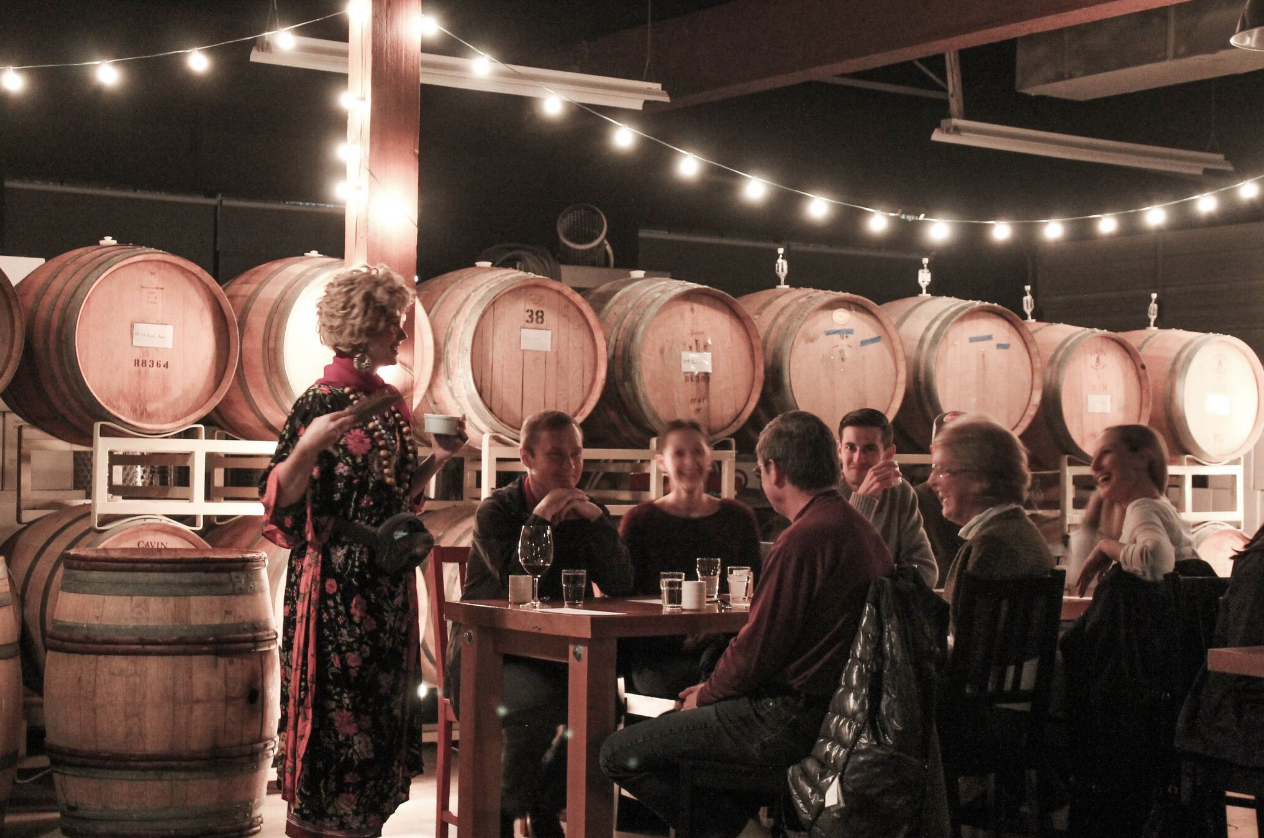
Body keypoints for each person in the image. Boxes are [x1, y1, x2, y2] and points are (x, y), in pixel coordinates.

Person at [600, 410, 894, 838]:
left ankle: (745, 834)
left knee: (618, 753)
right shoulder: (859, 529)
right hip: (841, 718)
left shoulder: (802, 540)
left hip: (786, 719)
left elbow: (758, 649)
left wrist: (706, 694)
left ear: (773, 470)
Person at [259, 264, 466, 838]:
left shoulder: (389, 401)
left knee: (379, 716)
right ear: (366, 326)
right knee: (331, 719)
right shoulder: (318, 402)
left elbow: (394, 497)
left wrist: (441, 459)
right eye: (394, 324)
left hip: (386, 586)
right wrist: (307, 447)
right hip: (333, 588)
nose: (401, 336)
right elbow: (278, 502)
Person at [446, 410, 634, 838]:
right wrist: (541, 518)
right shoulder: (498, 511)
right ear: (526, 457)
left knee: (608, 706)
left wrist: (599, 524)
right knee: (535, 707)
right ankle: (501, 817)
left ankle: (541, 802)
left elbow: (622, 584)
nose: (570, 467)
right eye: (556, 456)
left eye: (576, 455)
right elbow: (516, 584)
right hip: (490, 654)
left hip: (557, 652)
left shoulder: (588, 510)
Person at [618, 419, 762, 698]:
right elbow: (627, 596)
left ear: (710, 457)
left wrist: (715, 630)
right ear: (661, 462)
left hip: (725, 648)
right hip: (659, 654)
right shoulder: (640, 521)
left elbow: (754, 590)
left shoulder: (737, 517)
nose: (690, 461)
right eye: (679, 453)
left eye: (698, 452)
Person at [931, 413, 1055, 624]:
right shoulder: (1014, 531)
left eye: (944, 471)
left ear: (981, 479)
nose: (932, 481)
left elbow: (974, 646)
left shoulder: (994, 546)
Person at [1070, 423, 1198, 596]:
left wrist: (1106, 547)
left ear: (1142, 458)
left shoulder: (1143, 508)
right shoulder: (1162, 508)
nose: (1094, 465)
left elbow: (1157, 561)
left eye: (1106, 452)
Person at [837, 408, 937, 587]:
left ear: (888, 454)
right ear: (839, 450)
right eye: (850, 448)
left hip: (882, 609)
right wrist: (862, 500)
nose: (858, 459)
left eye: (869, 449)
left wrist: (873, 587)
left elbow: (926, 570)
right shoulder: (823, 490)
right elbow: (831, 566)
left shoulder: (899, 492)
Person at [914, 410, 967, 586]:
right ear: (933, 450)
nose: (955, 451)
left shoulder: (983, 501)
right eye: (946, 444)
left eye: (962, 443)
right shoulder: (914, 500)